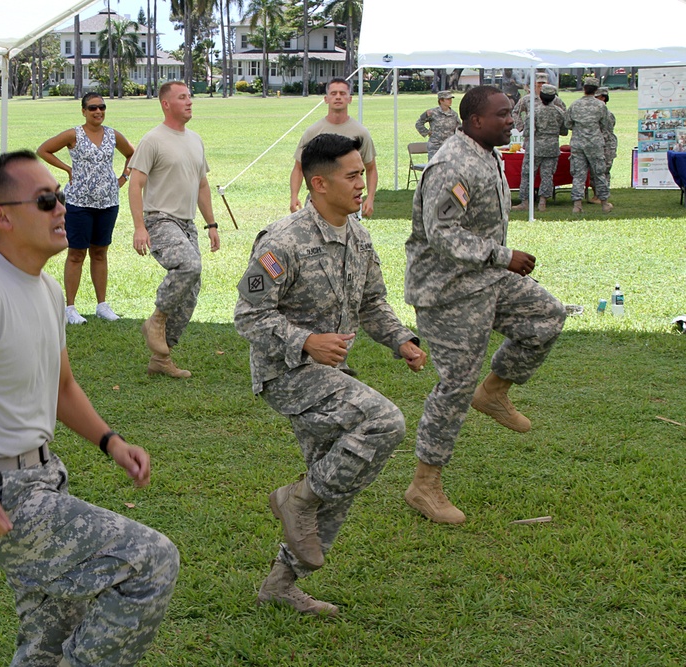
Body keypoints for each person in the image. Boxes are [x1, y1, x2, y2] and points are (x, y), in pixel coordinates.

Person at [0, 150, 179, 667]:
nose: (61, 209)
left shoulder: (46, 288)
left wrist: (111, 442)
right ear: (1, 216)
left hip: (44, 477)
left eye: (60, 197)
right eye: (47, 200)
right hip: (3, 496)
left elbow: (61, 385)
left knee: (46, 637)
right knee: (150, 561)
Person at [235, 134, 426, 616]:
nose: (363, 184)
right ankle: (296, 500)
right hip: (288, 373)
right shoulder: (282, 240)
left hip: (331, 374)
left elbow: (371, 303)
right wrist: (306, 341)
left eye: (362, 173)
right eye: (353, 175)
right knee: (384, 422)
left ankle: (281, 583)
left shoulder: (358, 235)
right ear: (318, 183)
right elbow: (248, 316)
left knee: (339, 479)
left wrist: (401, 339)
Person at [404, 86, 566, 525]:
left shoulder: (486, 151)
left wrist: (497, 262)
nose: (511, 120)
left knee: (548, 316)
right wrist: (503, 256)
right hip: (448, 290)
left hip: (486, 278)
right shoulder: (451, 163)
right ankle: (424, 485)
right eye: (502, 115)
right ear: (475, 120)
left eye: (511, 113)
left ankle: (493, 392)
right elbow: (440, 233)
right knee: (455, 384)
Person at [128, 80, 221, 378]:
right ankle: (156, 320)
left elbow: (202, 185)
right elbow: (135, 184)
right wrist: (139, 227)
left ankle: (161, 357)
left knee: (191, 289)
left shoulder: (195, 140)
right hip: (160, 219)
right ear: (166, 104)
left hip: (187, 223)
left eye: (190, 96)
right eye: (182, 97)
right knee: (189, 266)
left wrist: (211, 224)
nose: (189, 101)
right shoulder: (152, 140)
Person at [37, 92, 135, 325]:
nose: (98, 111)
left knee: (100, 252)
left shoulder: (112, 135)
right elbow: (43, 150)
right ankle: (70, 308)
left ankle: (102, 305)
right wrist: (68, 169)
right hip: (79, 203)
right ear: (83, 111)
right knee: (76, 253)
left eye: (102, 107)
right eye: (92, 108)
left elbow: (132, 153)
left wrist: (123, 178)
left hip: (108, 202)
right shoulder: (74, 134)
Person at [290, 78, 379, 217]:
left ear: (350, 99)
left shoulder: (361, 133)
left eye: (343, 93)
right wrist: (294, 196)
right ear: (326, 99)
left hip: (347, 202)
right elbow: (299, 168)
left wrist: (370, 198)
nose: (338, 97)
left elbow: (371, 168)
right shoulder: (313, 132)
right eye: (333, 93)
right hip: (318, 202)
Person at [511, 84, 568, 212]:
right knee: (547, 175)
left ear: (541, 97)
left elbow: (527, 132)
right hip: (552, 147)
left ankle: (525, 201)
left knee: (527, 174)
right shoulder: (560, 112)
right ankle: (543, 202)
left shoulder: (535, 112)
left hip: (535, 147)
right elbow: (564, 131)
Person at [565, 77, 613, 213]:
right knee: (599, 173)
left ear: (584, 88)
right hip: (595, 143)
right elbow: (606, 125)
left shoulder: (575, 105)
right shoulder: (600, 106)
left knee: (578, 174)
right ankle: (604, 203)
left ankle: (577, 205)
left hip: (578, 143)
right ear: (596, 90)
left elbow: (567, 123)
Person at [588, 86, 617, 205]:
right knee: (595, 172)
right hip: (598, 144)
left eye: (597, 97)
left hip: (606, 145)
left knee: (603, 171)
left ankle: (601, 197)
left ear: (603, 98)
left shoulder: (606, 113)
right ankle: (597, 195)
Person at [415, 90, 461, 160]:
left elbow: (459, 129)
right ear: (441, 100)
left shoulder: (454, 114)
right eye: (448, 99)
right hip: (435, 147)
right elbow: (419, 123)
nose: (450, 101)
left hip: (449, 146)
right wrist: (427, 132)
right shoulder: (432, 113)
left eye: (451, 99)